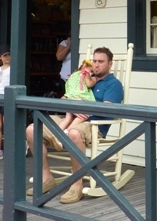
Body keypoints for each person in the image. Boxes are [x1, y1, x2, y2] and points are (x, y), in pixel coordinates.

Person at [26, 47, 124, 204]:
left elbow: (107, 110)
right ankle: (46, 178)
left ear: (110, 64)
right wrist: (73, 106)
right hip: (69, 117)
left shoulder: (113, 84)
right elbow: (64, 99)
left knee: (73, 133)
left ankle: (77, 184)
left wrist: (83, 107)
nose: (96, 64)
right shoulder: (83, 77)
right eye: (94, 61)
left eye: (101, 61)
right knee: (32, 129)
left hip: (93, 124)